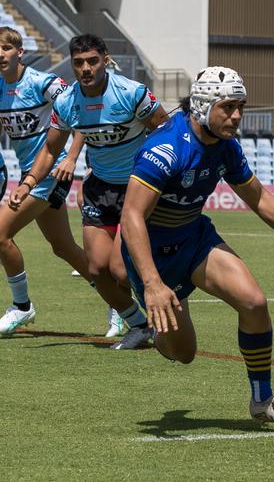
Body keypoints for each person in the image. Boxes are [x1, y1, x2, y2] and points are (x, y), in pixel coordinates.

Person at [119, 66, 274, 433]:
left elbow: (257, 196)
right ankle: (159, 324)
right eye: (228, 107)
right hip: (153, 258)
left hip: (194, 240)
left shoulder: (226, 147)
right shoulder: (165, 149)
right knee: (183, 354)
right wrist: (153, 283)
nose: (237, 116)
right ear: (203, 106)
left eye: (241, 107)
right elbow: (131, 218)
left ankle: (263, 400)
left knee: (254, 302)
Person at [10, 33, 169, 347]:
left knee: (121, 271)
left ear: (106, 59)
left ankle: (163, 308)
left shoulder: (132, 93)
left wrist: (162, 173)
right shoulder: (67, 102)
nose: (86, 68)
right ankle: (138, 325)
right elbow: (50, 150)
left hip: (137, 187)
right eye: (79, 62)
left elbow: (166, 130)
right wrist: (28, 183)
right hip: (99, 188)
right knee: (96, 269)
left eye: (92, 61)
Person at [0, 26, 94, 336]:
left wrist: (71, 157)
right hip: (28, 172)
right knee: (63, 247)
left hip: (50, 171)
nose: (0, 54)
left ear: (20, 52)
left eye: (6, 48)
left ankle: (22, 307)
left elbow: (78, 111)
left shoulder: (45, 83)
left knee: (0, 234)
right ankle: (118, 302)